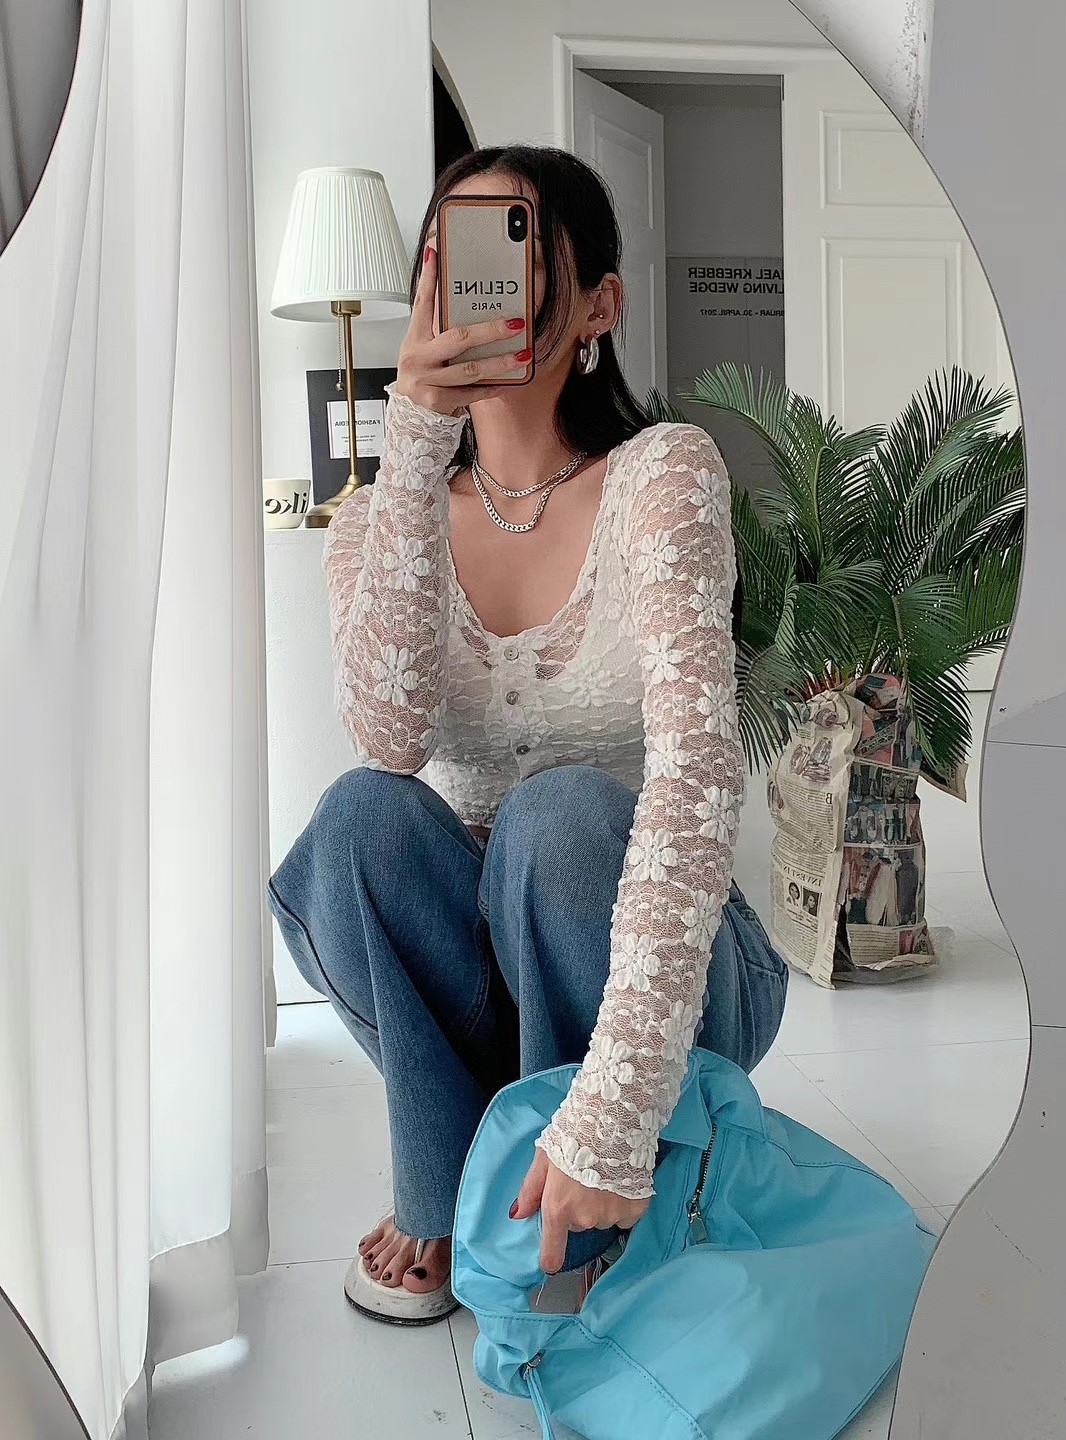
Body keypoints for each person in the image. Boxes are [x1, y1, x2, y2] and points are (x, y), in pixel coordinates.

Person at [267, 146, 788, 1327]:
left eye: (516, 244)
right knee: (357, 814)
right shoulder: (377, 516)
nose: (479, 280)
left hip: (662, 960)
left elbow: (699, 774)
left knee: (556, 814)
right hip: (487, 971)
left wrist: (614, 1111)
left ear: (599, 304)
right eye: (452, 249)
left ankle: (590, 1181)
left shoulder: (663, 474)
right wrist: (411, 439)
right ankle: (454, 1187)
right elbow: (391, 736)